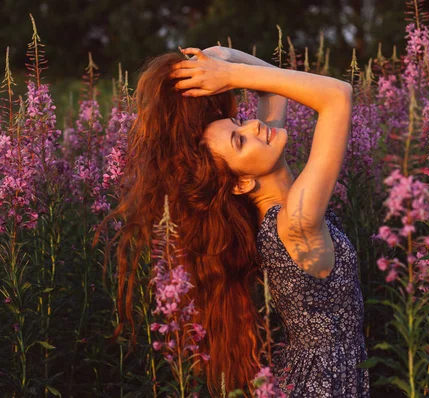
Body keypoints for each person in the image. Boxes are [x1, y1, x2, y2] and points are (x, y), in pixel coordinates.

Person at [108, 45, 369, 397]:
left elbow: (270, 88)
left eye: (240, 122)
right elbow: (338, 95)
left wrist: (226, 58)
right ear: (241, 182)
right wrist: (231, 77)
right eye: (239, 139)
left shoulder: (280, 206)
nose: (256, 125)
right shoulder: (296, 221)